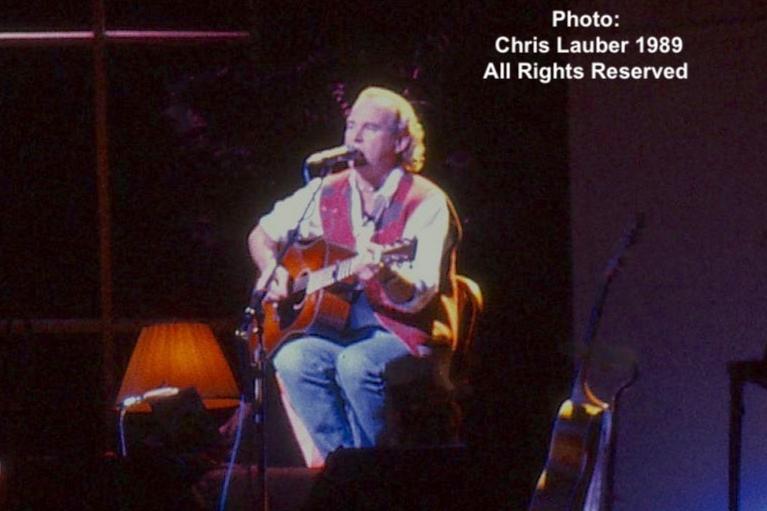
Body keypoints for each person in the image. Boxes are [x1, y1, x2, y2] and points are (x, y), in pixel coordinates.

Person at [247, 86, 457, 460]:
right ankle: (341, 469)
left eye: (370, 128)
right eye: (351, 126)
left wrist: (387, 274)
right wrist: (270, 270)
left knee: (355, 365)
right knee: (293, 360)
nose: (355, 137)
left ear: (400, 141)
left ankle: (379, 473)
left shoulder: (426, 201)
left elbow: (421, 293)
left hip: (403, 329)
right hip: (340, 328)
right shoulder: (326, 190)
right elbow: (262, 233)